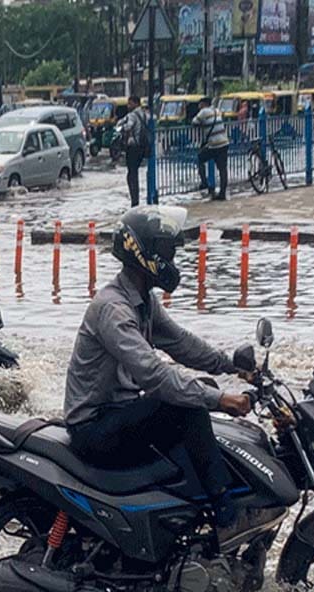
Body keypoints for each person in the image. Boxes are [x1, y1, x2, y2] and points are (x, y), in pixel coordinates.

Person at [64, 206, 253, 549]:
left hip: (121, 415)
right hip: (94, 427)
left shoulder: (143, 301)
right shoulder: (113, 309)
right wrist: (219, 399)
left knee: (198, 392)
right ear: (144, 253)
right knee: (188, 405)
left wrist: (232, 366)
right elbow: (153, 375)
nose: (172, 258)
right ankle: (225, 513)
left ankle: (186, 516)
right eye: (166, 251)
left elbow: (182, 344)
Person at [192, 96, 229, 201]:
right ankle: (222, 193)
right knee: (223, 169)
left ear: (203, 104)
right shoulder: (217, 110)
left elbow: (194, 122)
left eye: (199, 104)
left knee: (200, 158)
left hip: (214, 144)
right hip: (224, 142)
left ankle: (205, 183)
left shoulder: (204, 112)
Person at [116, 96, 150, 206]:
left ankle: (134, 201)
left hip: (133, 147)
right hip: (143, 147)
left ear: (135, 103)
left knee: (131, 174)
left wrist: (121, 127)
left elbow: (128, 126)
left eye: (130, 103)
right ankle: (136, 199)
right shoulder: (145, 114)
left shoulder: (132, 115)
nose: (128, 106)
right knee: (134, 173)